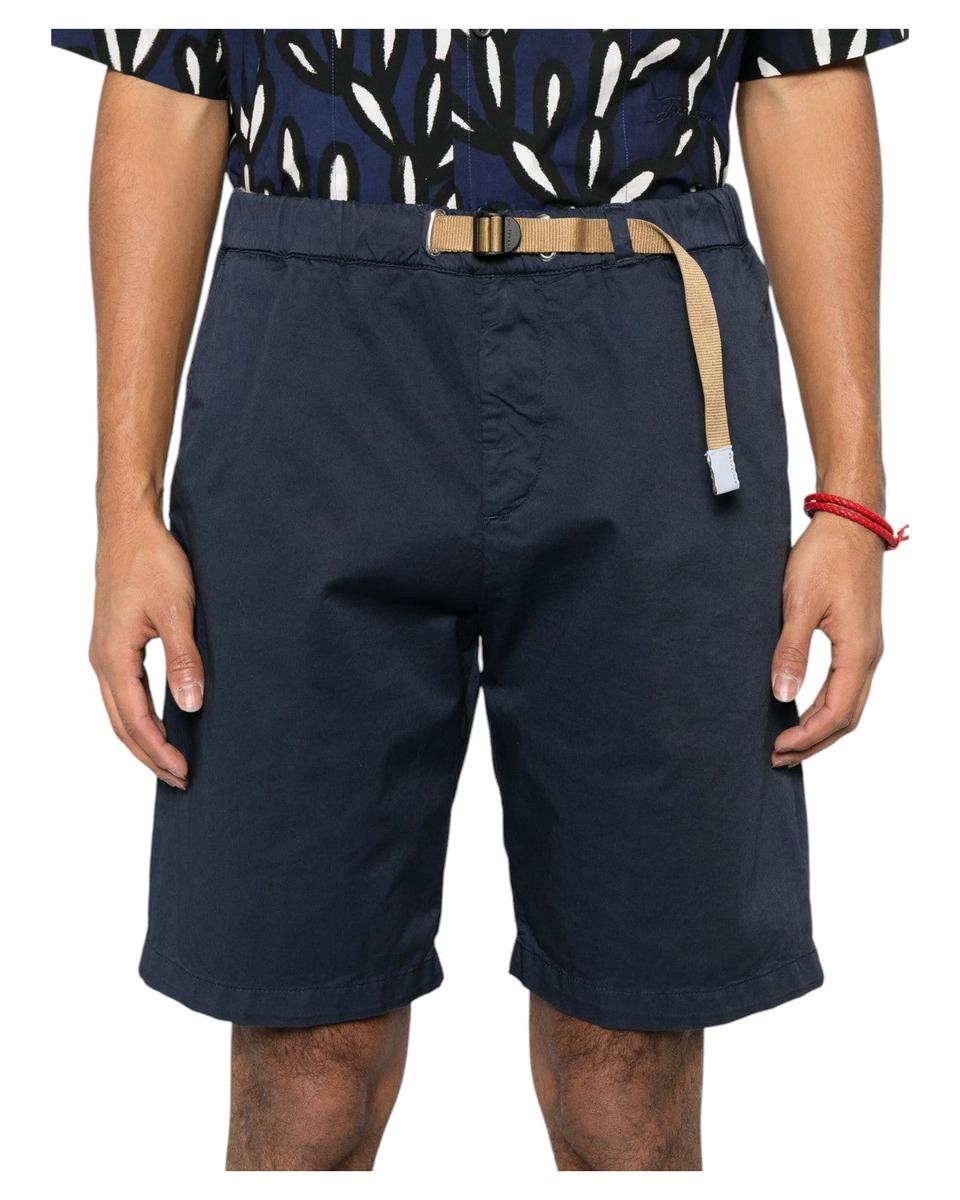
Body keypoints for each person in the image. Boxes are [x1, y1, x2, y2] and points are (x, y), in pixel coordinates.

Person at [52, 28, 908, 1172]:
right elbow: (165, 77)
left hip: (648, 355)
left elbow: (804, 71)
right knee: (307, 1068)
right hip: (310, 358)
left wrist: (852, 500)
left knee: (627, 1073)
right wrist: (125, 509)